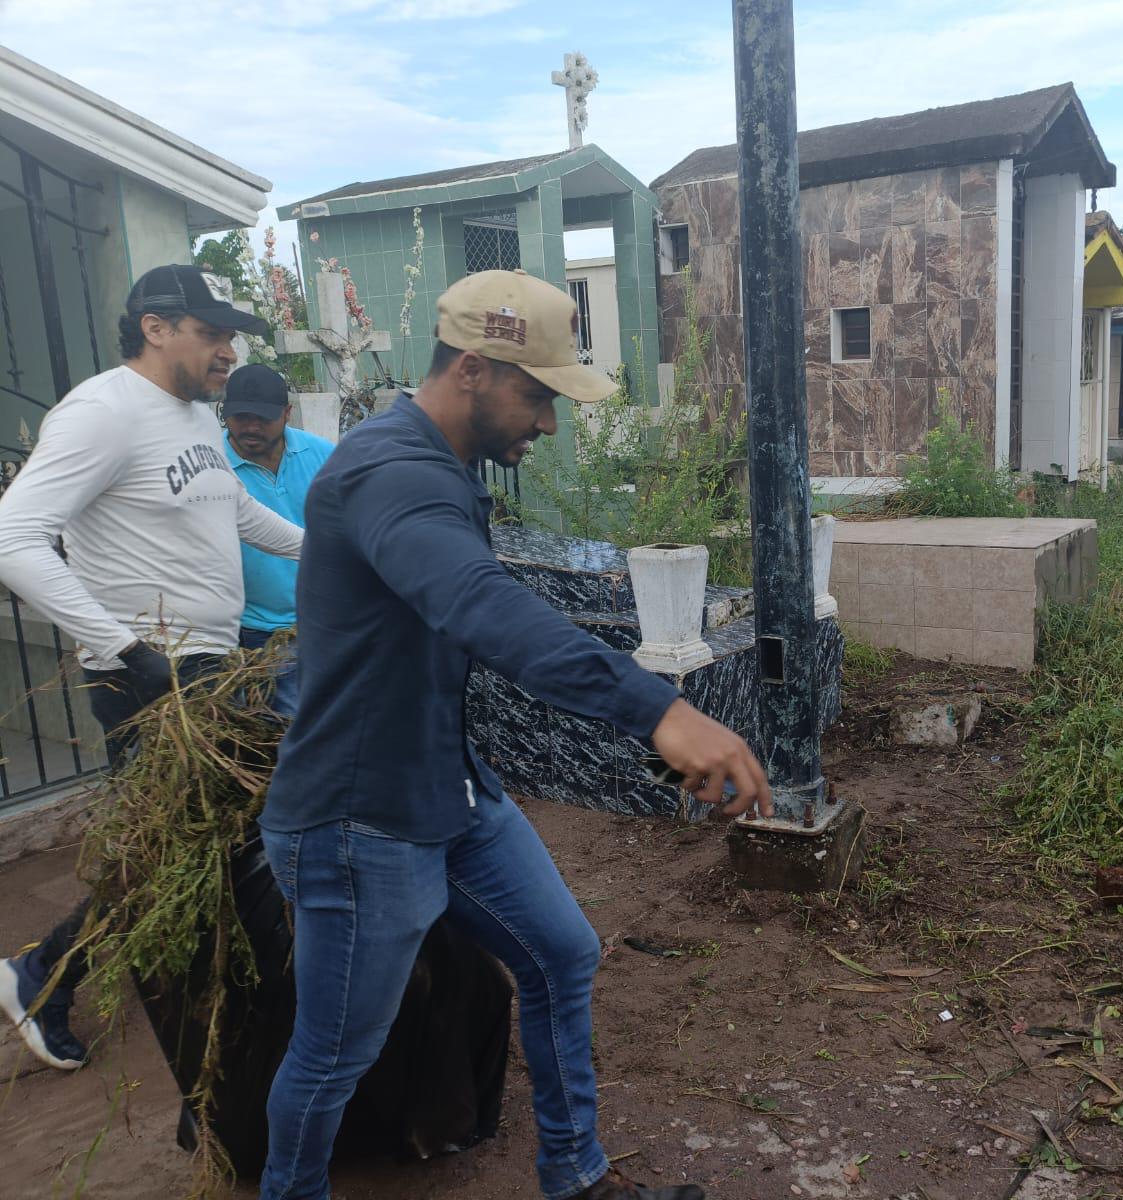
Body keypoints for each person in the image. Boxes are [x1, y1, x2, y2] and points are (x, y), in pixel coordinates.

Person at [258, 269, 769, 1200]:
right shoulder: (389, 474)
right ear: (470, 370)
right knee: (335, 1055)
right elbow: (478, 604)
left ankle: (575, 1177)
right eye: (537, 396)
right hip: (359, 817)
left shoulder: (437, 467)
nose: (549, 423)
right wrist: (660, 710)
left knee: (562, 953)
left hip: (446, 790)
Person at [0, 264, 304, 1072]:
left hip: (210, 665)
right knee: (169, 843)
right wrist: (129, 651)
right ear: (155, 328)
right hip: (147, 677)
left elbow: (237, 512)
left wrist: (330, 550)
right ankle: (42, 976)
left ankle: (196, 971)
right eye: (212, 333)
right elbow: (14, 538)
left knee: (207, 835)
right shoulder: (102, 413)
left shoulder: (196, 415)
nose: (228, 350)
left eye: (230, 336)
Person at [222, 365, 334, 717]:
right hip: (259, 631)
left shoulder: (322, 456)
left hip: (329, 621)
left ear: (287, 413)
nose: (251, 427)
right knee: (287, 726)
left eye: (263, 418)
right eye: (241, 417)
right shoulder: (212, 464)